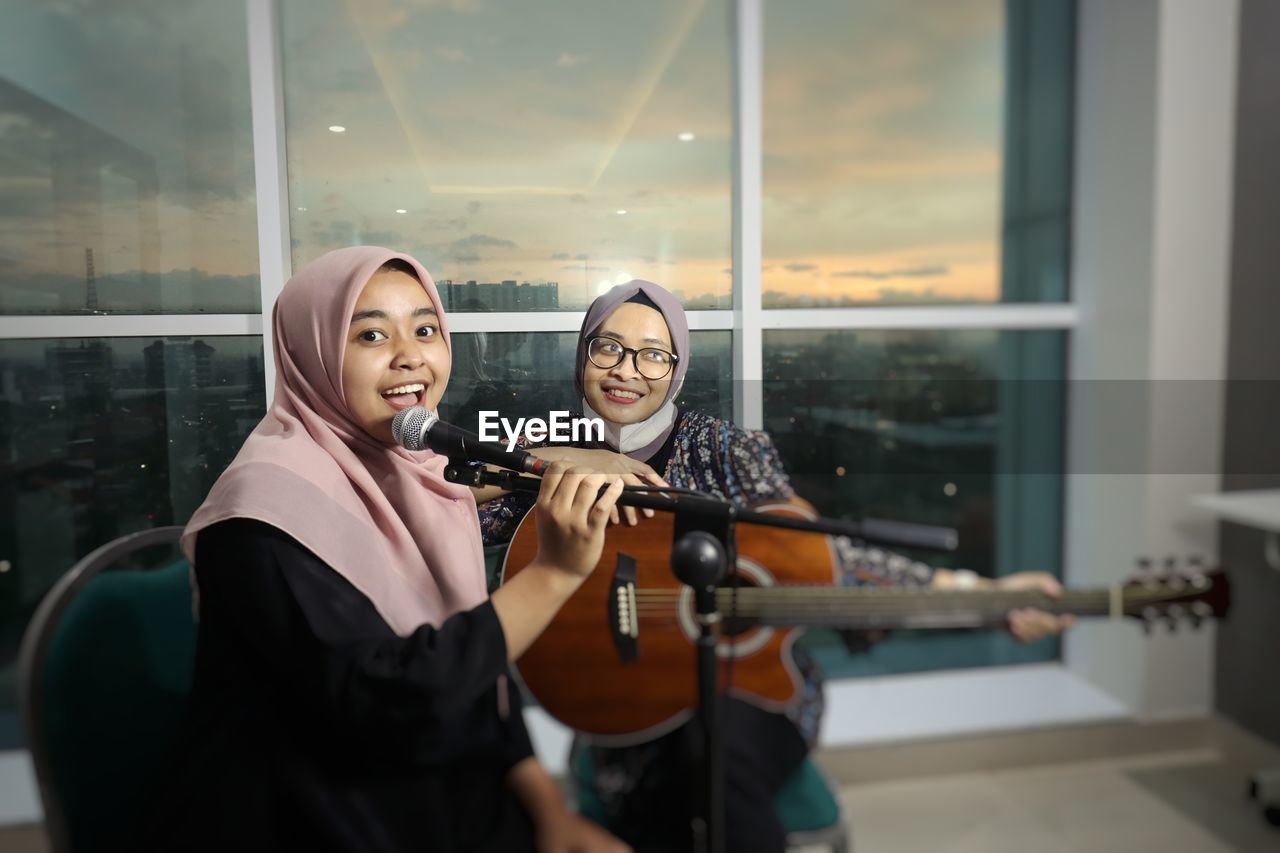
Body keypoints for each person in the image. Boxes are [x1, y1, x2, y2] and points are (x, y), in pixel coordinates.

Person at [477, 279, 1075, 853]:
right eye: (608, 347)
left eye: (654, 355)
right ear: (582, 354)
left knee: (712, 766)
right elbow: (445, 510)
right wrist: (551, 459)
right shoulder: (543, 450)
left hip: (757, 688)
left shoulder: (724, 449)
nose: (627, 370)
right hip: (622, 690)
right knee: (660, 784)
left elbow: (818, 554)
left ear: (678, 368)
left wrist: (980, 594)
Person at [148, 247, 632, 853]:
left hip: (447, 798)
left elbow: (475, 679)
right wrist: (554, 573)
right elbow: (391, 705)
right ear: (313, 352)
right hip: (320, 821)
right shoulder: (259, 517)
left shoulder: (412, 478)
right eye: (373, 334)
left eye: (426, 329)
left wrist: (549, 814)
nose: (412, 356)